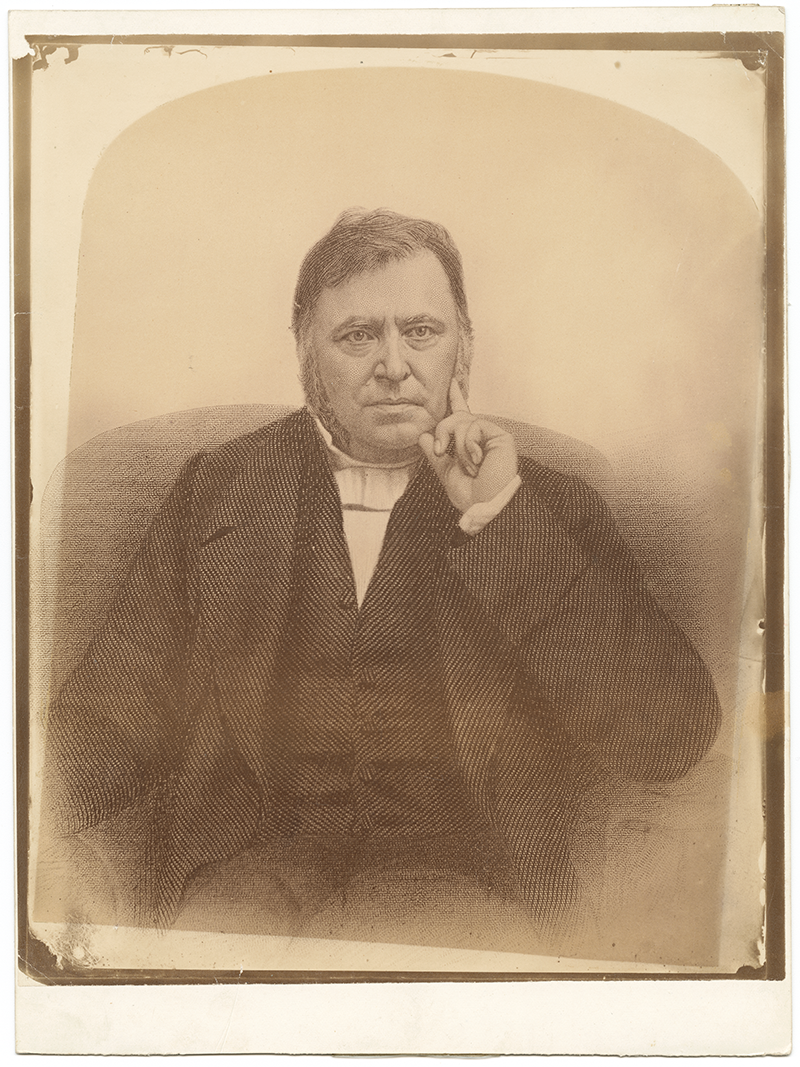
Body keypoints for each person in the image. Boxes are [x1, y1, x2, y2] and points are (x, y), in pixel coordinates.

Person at [42, 208, 722, 943]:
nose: (394, 364)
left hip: (462, 889)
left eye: (421, 332)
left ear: (464, 348)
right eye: (358, 334)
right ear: (307, 356)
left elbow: (672, 732)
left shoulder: (547, 505)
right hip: (245, 877)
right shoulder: (216, 490)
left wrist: (498, 515)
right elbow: (103, 726)